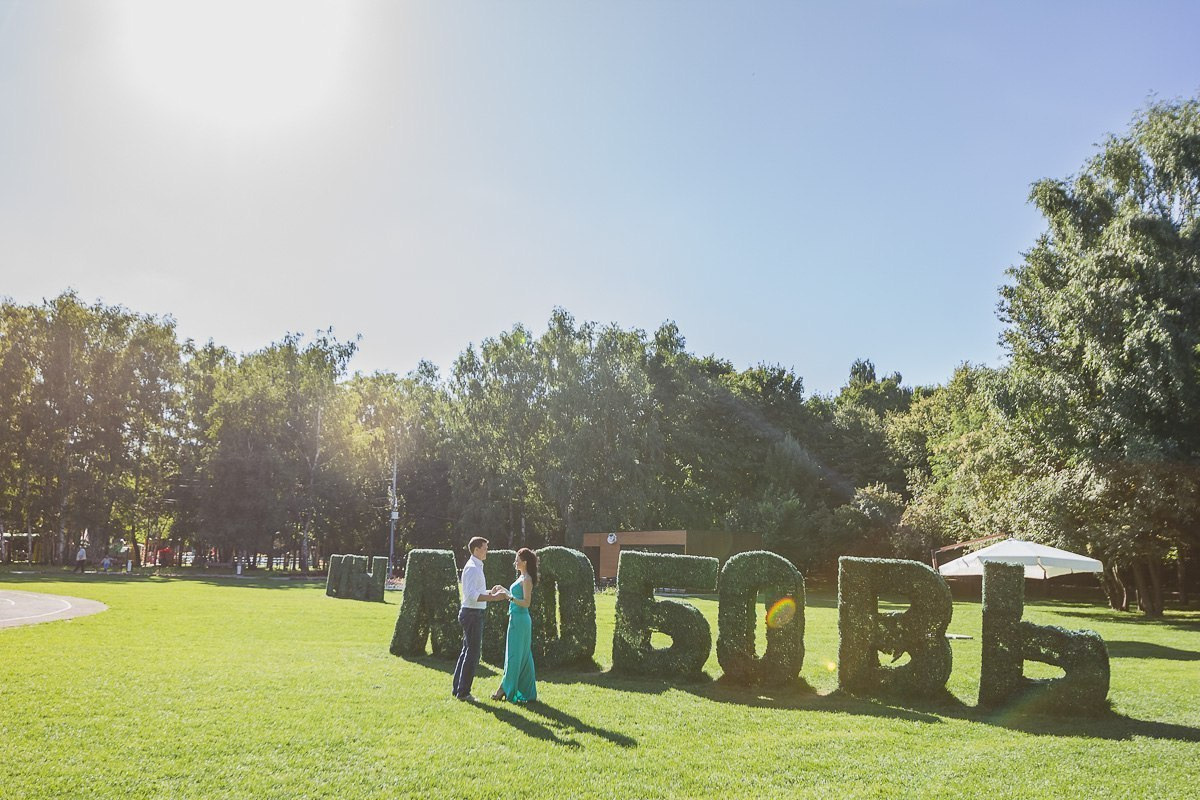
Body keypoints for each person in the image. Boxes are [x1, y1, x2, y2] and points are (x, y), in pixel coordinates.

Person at [451, 537, 509, 702]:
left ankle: (458, 690)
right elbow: (471, 595)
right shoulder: (472, 568)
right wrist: (495, 598)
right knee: (472, 654)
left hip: (472, 614)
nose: (487, 551)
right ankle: (463, 693)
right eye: (484, 548)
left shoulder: (476, 567)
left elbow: (477, 591)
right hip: (472, 614)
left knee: (466, 652)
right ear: (476, 549)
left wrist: (491, 591)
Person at [492, 547, 538, 703]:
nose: (515, 562)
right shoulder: (521, 577)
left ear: (524, 562)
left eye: (517, 559)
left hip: (521, 620)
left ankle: (504, 689)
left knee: (516, 656)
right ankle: (521, 691)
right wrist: (504, 590)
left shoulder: (527, 579)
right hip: (515, 619)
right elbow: (514, 595)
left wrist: (509, 597)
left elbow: (526, 603)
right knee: (517, 655)